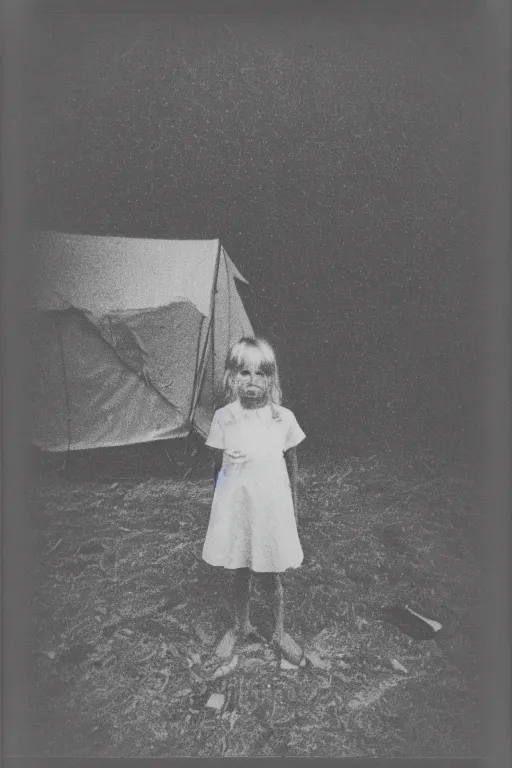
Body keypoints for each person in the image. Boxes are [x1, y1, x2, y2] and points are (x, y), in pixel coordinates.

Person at [202, 336, 306, 666]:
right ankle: (240, 626)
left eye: (260, 374)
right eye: (244, 373)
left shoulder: (283, 419)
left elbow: (291, 465)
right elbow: (218, 468)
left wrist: (292, 507)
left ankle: (279, 631)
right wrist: (222, 512)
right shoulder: (223, 418)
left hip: (271, 509)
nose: (252, 381)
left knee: (271, 572)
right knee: (239, 570)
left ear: (271, 379)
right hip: (238, 508)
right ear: (232, 378)